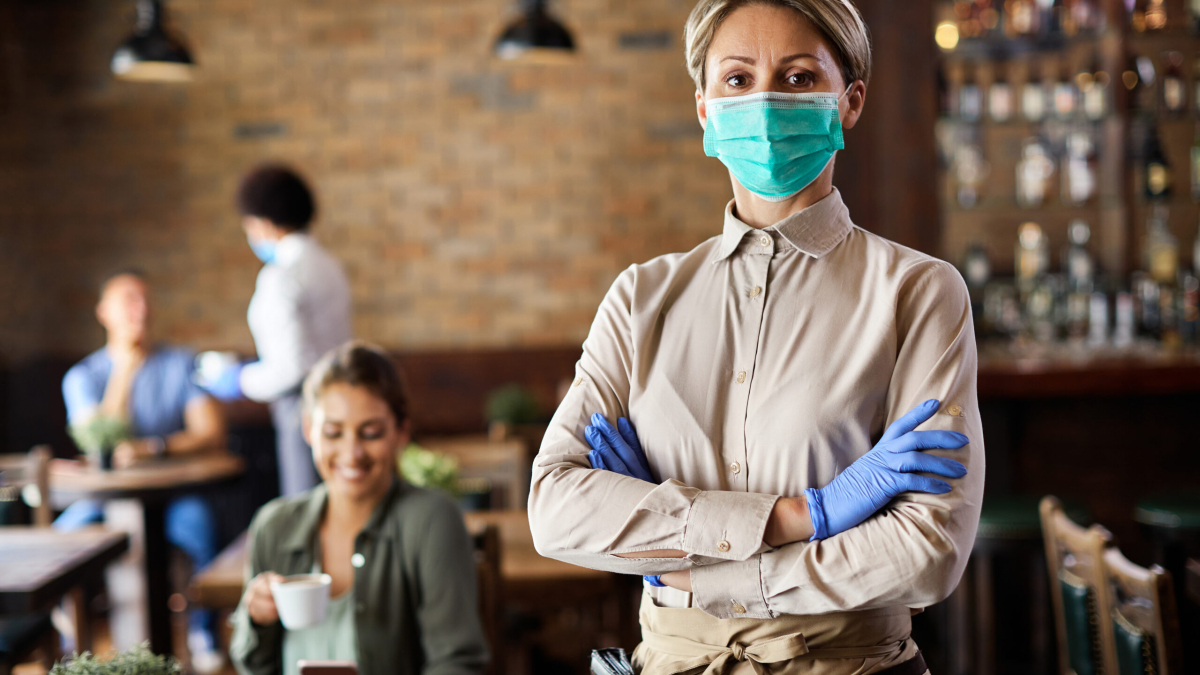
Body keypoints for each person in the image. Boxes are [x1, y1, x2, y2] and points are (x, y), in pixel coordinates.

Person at [528, 1, 985, 673]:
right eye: (738, 80)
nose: (766, 100)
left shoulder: (917, 292)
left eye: (799, 77)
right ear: (704, 107)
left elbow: (927, 553)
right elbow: (556, 509)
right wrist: (806, 514)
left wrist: (685, 561)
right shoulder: (639, 299)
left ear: (850, 101)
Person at [229, 341, 488, 675]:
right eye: (333, 433)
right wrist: (257, 621)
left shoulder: (432, 520)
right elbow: (254, 667)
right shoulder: (274, 525)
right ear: (309, 430)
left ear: (401, 432)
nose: (352, 454)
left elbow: (457, 662)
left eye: (371, 432)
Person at [59, 271, 227, 673]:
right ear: (103, 312)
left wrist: (154, 447)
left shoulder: (180, 362)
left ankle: (204, 633)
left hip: (174, 498)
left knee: (202, 534)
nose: (141, 309)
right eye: (129, 299)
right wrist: (126, 369)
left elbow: (210, 432)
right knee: (63, 546)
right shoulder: (82, 377)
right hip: (101, 503)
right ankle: (69, 639)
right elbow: (99, 440)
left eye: (145, 299)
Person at [204, 165, 353, 497]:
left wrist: (237, 379)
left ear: (263, 222)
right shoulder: (330, 266)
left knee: (305, 511)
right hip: (344, 397)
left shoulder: (281, 276)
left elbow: (289, 369)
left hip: (302, 408)